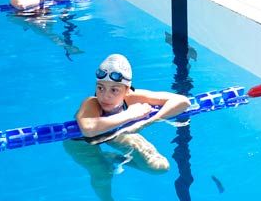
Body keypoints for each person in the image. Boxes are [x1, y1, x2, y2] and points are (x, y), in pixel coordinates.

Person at [66, 54, 189, 182]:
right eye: (100, 88)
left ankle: (113, 158)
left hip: (116, 133)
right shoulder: (91, 102)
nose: (105, 96)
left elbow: (183, 102)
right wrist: (130, 114)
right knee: (102, 174)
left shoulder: (132, 97)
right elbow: (89, 129)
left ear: (127, 90)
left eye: (114, 90)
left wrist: (147, 122)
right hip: (81, 142)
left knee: (159, 167)